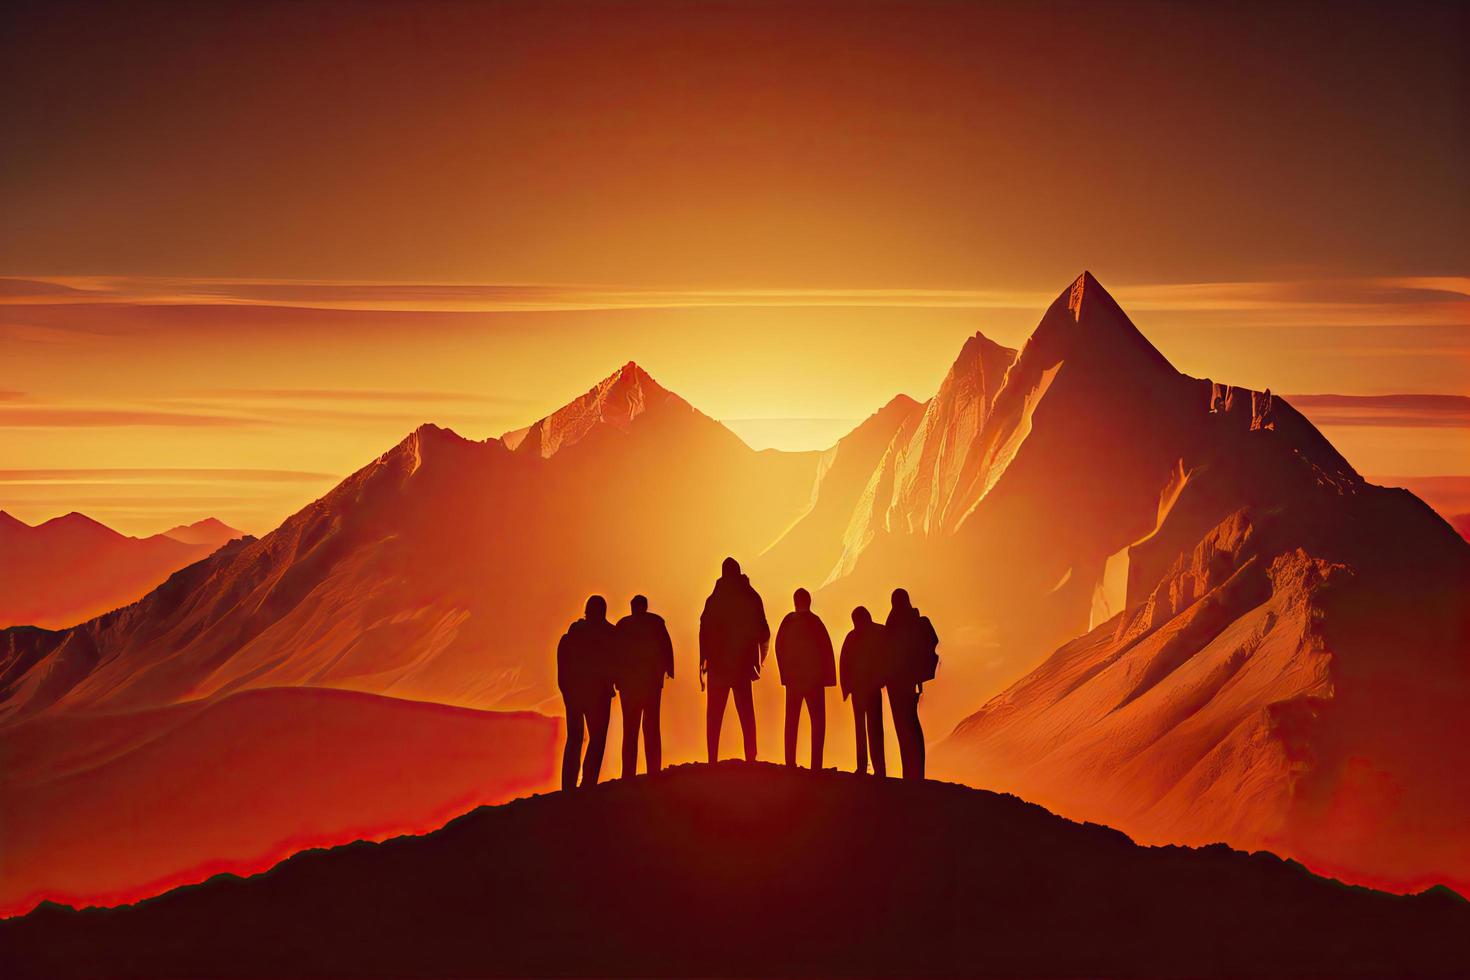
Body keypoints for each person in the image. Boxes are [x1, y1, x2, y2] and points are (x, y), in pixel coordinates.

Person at [699, 556, 769, 763]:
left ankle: (712, 758)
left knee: (714, 715)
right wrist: (758, 661)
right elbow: (763, 630)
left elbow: (704, 629)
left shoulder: (714, 599)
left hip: (719, 666)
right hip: (741, 666)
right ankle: (751, 757)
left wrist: (703, 660)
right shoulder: (750, 596)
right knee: (746, 713)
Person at [556, 594, 617, 791]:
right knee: (596, 738)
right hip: (595, 694)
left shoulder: (574, 632)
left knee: (575, 737)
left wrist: (565, 689)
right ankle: (587, 783)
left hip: (575, 693)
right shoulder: (608, 633)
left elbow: (563, 663)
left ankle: (569, 786)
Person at [613, 594, 674, 778]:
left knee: (637, 728)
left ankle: (635, 773)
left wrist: (668, 669)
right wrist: (668, 669)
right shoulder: (654, 623)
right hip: (644, 684)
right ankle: (646, 772)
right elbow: (667, 647)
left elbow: (614, 653)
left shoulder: (624, 625)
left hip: (640, 685)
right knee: (645, 727)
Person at [775, 588, 835, 770]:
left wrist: (784, 674)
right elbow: (826, 651)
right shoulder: (816, 622)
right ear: (809, 602)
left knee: (791, 722)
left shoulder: (788, 622)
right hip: (814, 681)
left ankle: (790, 762)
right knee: (818, 723)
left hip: (793, 680)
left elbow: (778, 647)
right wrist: (828, 679)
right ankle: (816, 765)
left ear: (795, 602)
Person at [884, 588, 938, 781]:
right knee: (913, 726)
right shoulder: (915, 621)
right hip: (912, 682)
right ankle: (917, 773)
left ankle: (910, 773)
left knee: (904, 727)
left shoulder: (893, 622)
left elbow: (888, 653)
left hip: (897, 684)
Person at [839, 605, 887, 777]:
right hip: (872, 688)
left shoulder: (851, 637)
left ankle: (862, 767)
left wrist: (847, 688)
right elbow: (887, 657)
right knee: (875, 728)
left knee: (861, 728)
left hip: (859, 690)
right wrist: (884, 680)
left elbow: (843, 664)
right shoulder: (880, 633)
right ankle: (879, 769)